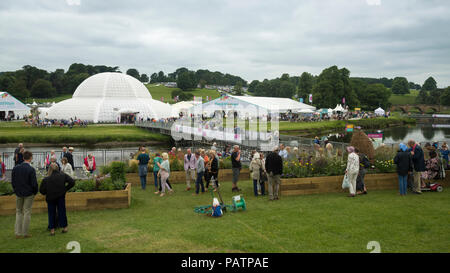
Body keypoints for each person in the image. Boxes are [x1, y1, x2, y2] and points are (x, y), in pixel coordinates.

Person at [39, 163, 75, 235]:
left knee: (51, 213)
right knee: (62, 212)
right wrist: (65, 189)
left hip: (50, 198)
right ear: (58, 168)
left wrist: (47, 192)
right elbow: (72, 182)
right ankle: (65, 228)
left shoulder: (46, 179)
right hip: (60, 197)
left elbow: (41, 190)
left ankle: (52, 230)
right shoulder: (63, 175)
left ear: (49, 169)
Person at [11, 151, 38, 239]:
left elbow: (13, 182)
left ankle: (18, 233)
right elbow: (34, 184)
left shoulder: (16, 168)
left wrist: (16, 190)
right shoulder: (31, 169)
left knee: (18, 212)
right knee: (26, 212)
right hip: (29, 193)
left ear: (23, 158)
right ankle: (25, 233)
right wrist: (35, 192)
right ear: (30, 158)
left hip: (19, 193)